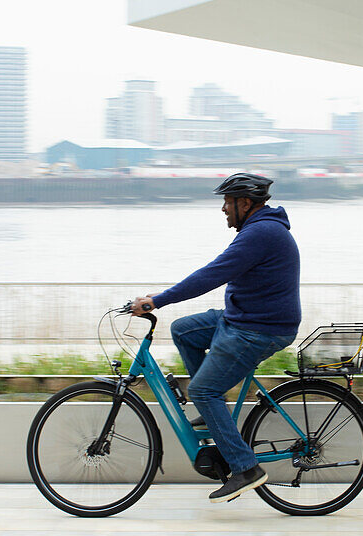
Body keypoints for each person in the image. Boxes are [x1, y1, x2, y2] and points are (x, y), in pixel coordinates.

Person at [131, 172, 300, 503]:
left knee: (202, 390)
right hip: (243, 318)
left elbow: (211, 274)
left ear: (245, 203)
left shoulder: (261, 233)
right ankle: (214, 409)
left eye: (227, 201)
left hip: (259, 329)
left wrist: (158, 299)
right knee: (183, 330)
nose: (223, 208)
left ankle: (245, 468)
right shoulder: (258, 228)